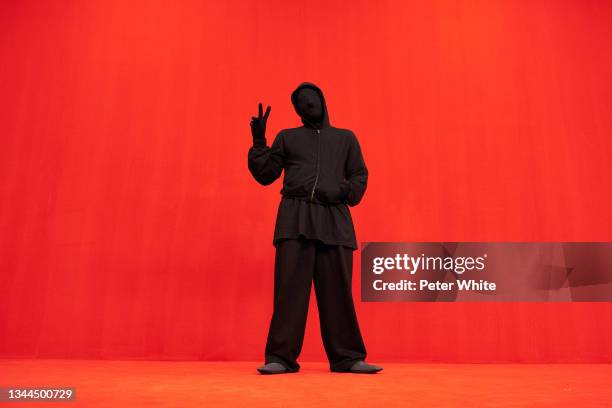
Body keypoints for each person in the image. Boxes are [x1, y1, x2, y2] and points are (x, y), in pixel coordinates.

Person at [248, 82, 383, 374]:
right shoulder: (287, 137)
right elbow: (266, 174)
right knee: (289, 292)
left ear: (322, 100)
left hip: (335, 219)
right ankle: (280, 358)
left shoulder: (346, 139)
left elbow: (359, 176)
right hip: (294, 218)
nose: (307, 104)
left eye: (311, 98)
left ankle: (348, 357)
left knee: (338, 292)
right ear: (297, 111)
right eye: (300, 102)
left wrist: (341, 190)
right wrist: (260, 142)